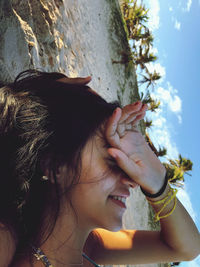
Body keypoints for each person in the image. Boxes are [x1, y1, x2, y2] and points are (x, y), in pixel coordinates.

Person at [0, 69, 199, 267]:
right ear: (54, 163)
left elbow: (188, 248)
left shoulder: (90, 248)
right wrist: (42, 96)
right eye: (113, 160)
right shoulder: (8, 238)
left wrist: (158, 183)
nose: (132, 181)